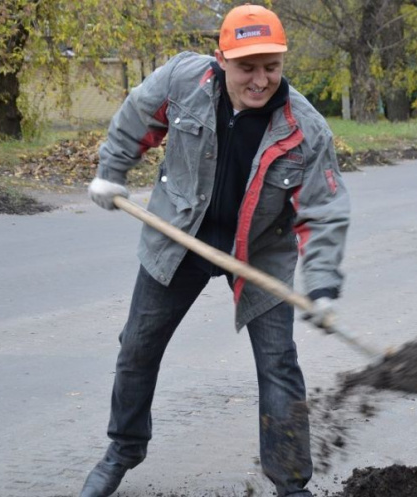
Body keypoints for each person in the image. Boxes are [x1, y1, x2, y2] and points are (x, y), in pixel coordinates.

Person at [80, 4, 350, 497]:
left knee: (278, 364)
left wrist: (325, 285)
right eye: (247, 67)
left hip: (259, 250)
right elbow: (136, 117)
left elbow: (323, 212)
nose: (260, 80)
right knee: (137, 347)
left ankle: (291, 484)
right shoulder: (183, 81)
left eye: (271, 67)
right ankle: (123, 450)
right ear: (221, 59)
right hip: (178, 234)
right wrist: (110, 173)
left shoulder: (304, 128)